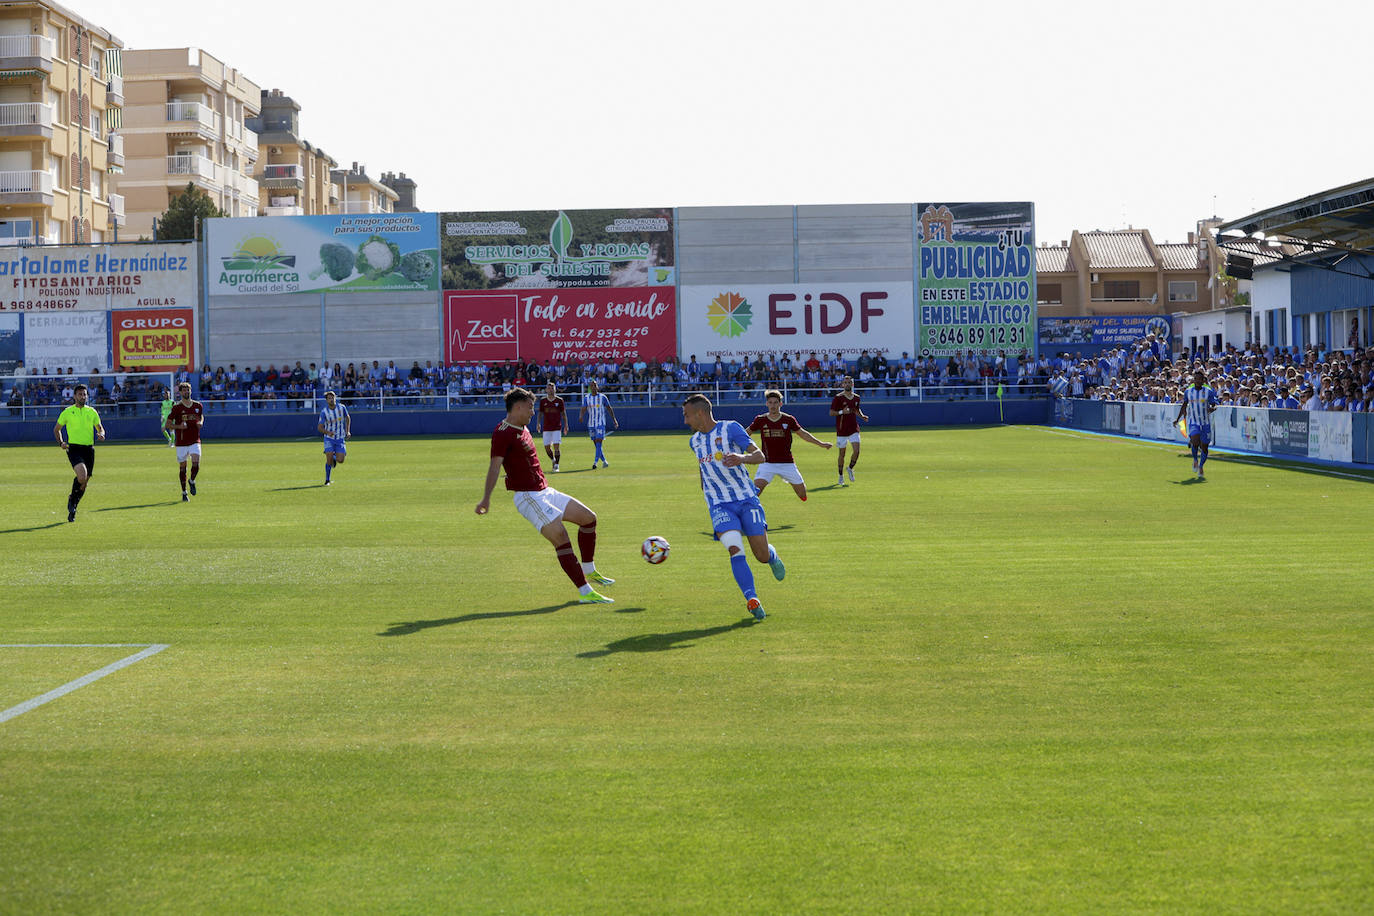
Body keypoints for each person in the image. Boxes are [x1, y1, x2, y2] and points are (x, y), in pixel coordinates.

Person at [476, 388, 614, 604]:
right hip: (528, 497)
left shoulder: (523, 427)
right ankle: (585, 592)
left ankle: (590, 570)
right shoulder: (502, 432)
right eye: (530, 407)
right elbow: (495, 467)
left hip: (545, 491)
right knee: (561, 538)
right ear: (518, 407)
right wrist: (486, 498)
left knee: (589, 518)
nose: (533, 412)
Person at [682, 393, 786, 621]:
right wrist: (706, 492)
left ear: (700, 413)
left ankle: (772, 556)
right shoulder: (694, 441)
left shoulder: (730, 429)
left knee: (760, 555)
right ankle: (752, 598)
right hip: (719, 505)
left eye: (687, 415)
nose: (685, 421)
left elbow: (759, 456)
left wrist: (741, 457)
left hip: (746, 499)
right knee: (735, 549)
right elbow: (703, 469)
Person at [747, 389, 833, 501]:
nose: (773, 405)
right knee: (754, 494)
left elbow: (803, 434)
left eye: (775, 402)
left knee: (802, 495)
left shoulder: (788, 419)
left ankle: (790, 480)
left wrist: (821, 444)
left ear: (780, 404)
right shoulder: (760, 420)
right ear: (767, 403)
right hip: (767, 463)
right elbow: (746, 433)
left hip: (787, 463)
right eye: (770, 402)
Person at [54, 383, 105, 522]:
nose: (83, 396)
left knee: (84, 483)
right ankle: (72, 500)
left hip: (89, 449)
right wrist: (61, 443)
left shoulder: (92, 411)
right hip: (74, 448)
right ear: (75, 396)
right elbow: (57, 429)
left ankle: (73, 504)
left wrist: (101, 434)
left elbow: (100, 428)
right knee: (81, 476)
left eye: (85, 394)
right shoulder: (67, 412)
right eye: (80, 394)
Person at [1175, 369, 1219, 479]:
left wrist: (1211, 409)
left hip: (1205, 423)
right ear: (1194, 380)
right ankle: (1195, 459)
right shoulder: (1188, 392)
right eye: (1196, 379)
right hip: (1194, 422)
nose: (1198, 381)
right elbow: (1184, 405)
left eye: (1200, 379)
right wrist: (1177, 419)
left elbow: (1214, 405)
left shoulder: (1208, 392)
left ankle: (1201, 466)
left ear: (1203, 380)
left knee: (1204, 447)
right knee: (1195, 441)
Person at [164, 381, 205, 501]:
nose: (187, 392)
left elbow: (201, 416)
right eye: (184, 390)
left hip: (194, 440)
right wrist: (179, 427)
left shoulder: (198, 406)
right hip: (182, 442)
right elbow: (168, 424)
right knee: (183, 467)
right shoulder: (177, 408)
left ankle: (192, 480)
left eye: (188, 390)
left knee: (196, 462)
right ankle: (184, 492)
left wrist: (201, 422)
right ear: (180, 392)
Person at [829, 375, 869, 487]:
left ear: (852, 384)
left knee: (857, 451)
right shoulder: (838, 398)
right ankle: (841, 476)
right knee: (842, 454)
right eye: (845, 382)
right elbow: (831, 413)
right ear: (842, 385)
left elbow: (856, 409)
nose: (847, 384)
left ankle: (850, 468)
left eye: (849, 382)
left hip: (853, 428)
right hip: (842, 430)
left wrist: (862, 416)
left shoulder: (856, 397)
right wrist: (842, 412)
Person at [578, 379, 618, 469]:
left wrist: (614, 419)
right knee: (596, 444)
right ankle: (604, 461)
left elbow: (609, 408)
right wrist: (581, 416)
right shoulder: (587, 398)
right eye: (592, 386)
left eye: (595, 385)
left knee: (599, 441)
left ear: (598, 387)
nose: (593, 387)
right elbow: (583, 408)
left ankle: (595, 462)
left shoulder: (603, 397)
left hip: (601, 423)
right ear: (589, 388)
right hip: (591, 424)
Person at [317, 390, 351, 486]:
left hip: (340, 438)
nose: (331, 399)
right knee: (328, 459)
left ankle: (335, 457)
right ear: (326, 400)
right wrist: (328, 432)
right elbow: (319, 427)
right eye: (329, 398)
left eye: (333, 397)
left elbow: (347, 417)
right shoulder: (324, 412)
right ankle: (327, 480)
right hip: (329, 438)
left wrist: (347, 430)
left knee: (341, 460)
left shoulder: (342, 408)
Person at [537, 381, 568, 472]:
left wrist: (566, 425)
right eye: (549, 388)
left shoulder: (559, 400)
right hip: (546, 427)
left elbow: (563, 414)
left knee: (556, 447)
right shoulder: (543, 401)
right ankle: (553, 460)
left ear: (555, 389)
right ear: (546, 390)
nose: (550, 390)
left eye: (552, 388)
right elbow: (540, 413)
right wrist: (538, 423)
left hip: (557, 427)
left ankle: (557, 465)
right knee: (547, 447)